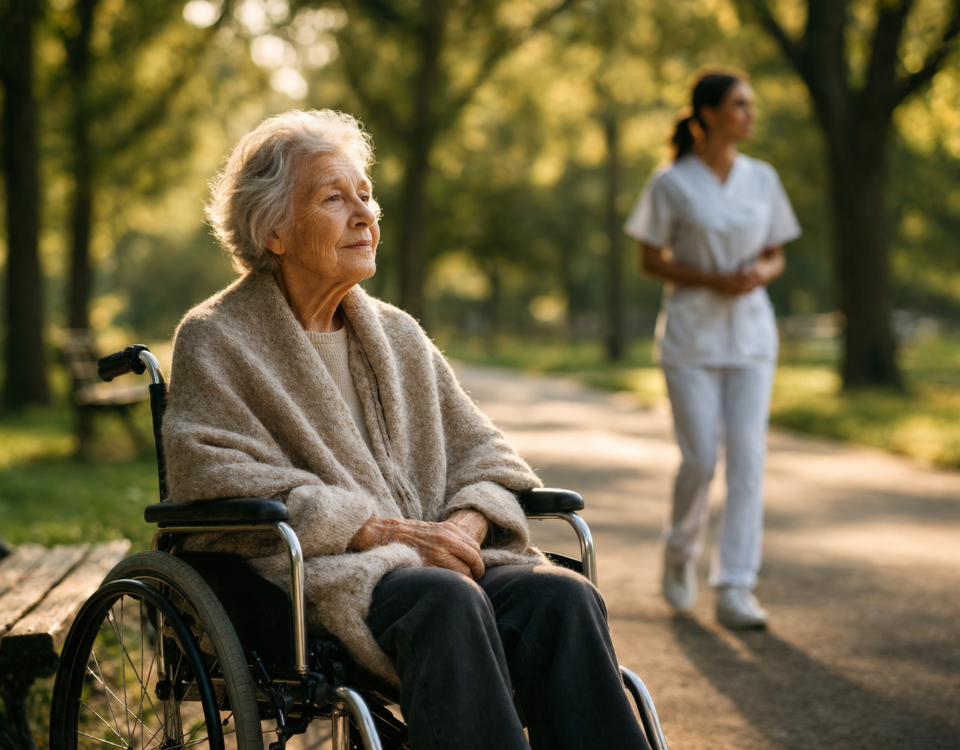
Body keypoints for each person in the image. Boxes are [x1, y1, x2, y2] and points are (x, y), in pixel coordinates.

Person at [163, 109, 651, 750]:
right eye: (334, 198)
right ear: (275, 231)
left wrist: (463, 526)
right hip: (315, 579)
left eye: (366, 195)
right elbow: (209, 473)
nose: (364, 214)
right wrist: (372, 529)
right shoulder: (216, 337)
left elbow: (487, 453)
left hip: (437, 565)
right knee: (445, 601)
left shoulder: (396, 333)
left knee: (562, 597)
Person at [623, 70, 801, 629]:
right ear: (707, 114)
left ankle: (734, 587)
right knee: (701, 459)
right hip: (691, 339)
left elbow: (776, 253)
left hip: (751, 337)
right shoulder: (672, 181)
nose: (749, 113)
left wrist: (758, 273)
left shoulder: (763, 178)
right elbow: (649, 259)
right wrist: (707, 278)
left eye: (750, 103)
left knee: (748, 459)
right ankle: (679, 554)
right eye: (738, 104)